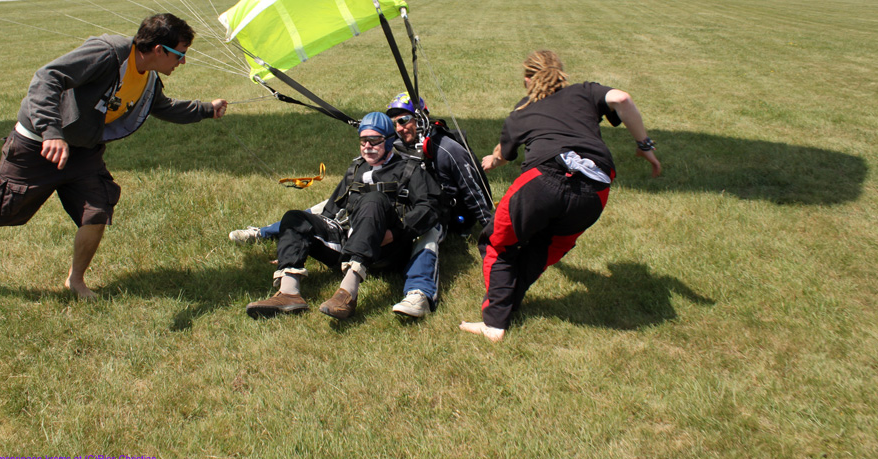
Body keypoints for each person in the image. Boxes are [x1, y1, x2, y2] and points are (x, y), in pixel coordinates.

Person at [0, 13, 228, 299]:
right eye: (179, 55)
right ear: (157, 50)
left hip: (83, 152)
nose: (183, 62)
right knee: (0, 214)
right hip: (38, 144)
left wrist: (205, 109)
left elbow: (161, 106)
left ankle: (75, 281)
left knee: (96, 211)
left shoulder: (148, 78)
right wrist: (52, 132)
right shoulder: (108, 53)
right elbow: (47, 77)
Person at [459, 50, 661, 342]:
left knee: (496, 242)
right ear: (561, 76)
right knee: (542, 249)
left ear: (528, 79)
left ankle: (494, 324)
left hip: (542, 180)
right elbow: (622, 99)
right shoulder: (584, 92)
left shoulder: (522, 109)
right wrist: (645, 145)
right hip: (595, 190)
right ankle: (508, 306)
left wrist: (493, 160)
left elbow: (505, 153)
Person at [245, 112, 442, 320]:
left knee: (373, 200)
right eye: (363, 141)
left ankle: (347, 292)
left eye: (374, 141)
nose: (367, 146)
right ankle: (289, 293)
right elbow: (330, 212)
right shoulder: (355, 169)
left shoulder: (409, 170)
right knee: (295, 218)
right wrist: (294, 246)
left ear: (390, 140)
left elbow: (430, 209)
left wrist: (395, 233)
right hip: (348, 242)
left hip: (387, 248)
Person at [384, 92, 493, 318]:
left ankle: (419, 292)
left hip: (445, 214)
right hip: (412, 205)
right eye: (395, 124)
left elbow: (474, 190)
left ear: (422, 118)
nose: (400, 128)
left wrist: (492, 229)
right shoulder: (397, 147)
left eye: (404, 120)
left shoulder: (447, 149)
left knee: (428, 227)